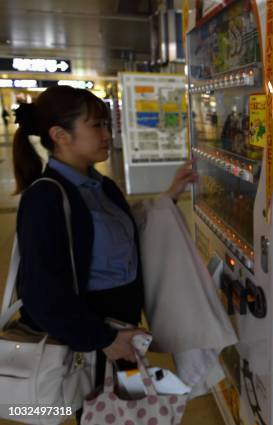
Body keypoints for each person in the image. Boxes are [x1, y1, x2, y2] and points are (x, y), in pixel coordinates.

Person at [11, 86, 197, 420]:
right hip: (89, 338)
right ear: (60, 135)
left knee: (129, 412)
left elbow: (124, 232)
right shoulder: (46, 198)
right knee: (96, 412)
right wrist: (103, 338)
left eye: (106, 125)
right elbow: (40, 290)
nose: (108, 135)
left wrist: (169, 195)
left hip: (121, 332)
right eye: (96, 126)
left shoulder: (102, 186)